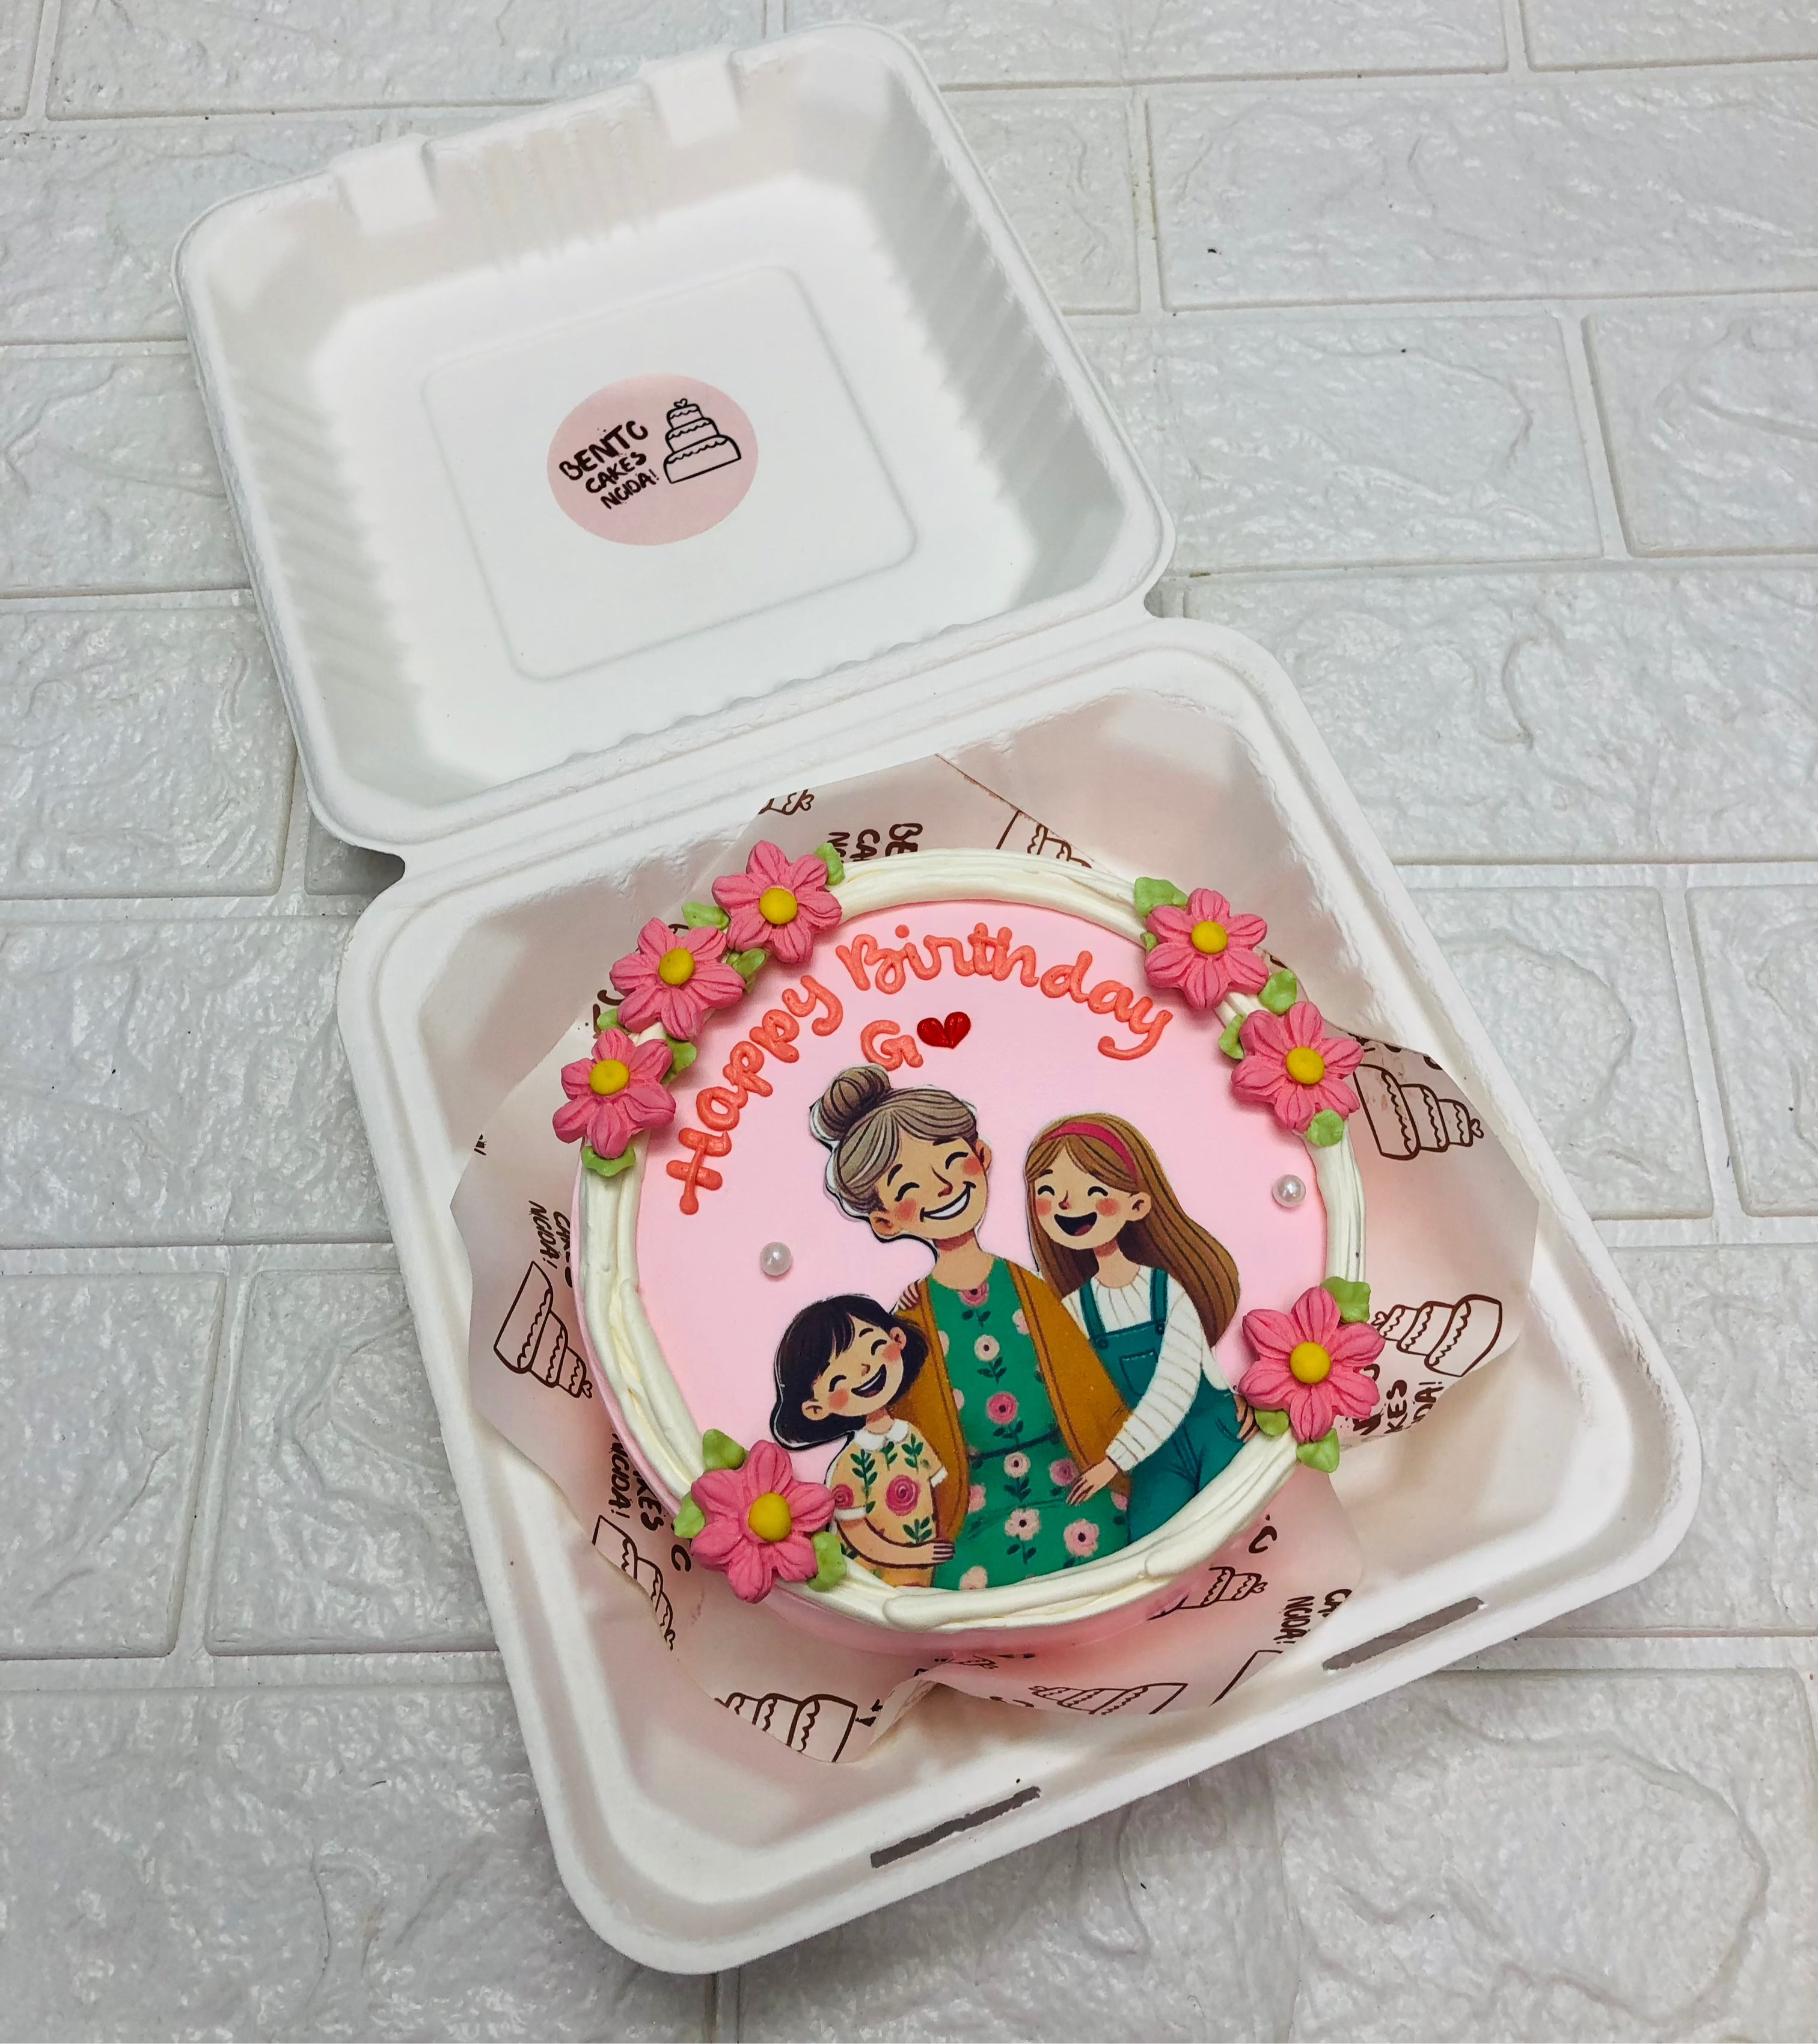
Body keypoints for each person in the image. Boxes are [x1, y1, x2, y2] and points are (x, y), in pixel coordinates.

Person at [809, 1065, 1132, 1591]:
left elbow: (1087, 1384)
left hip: (1069, 1469)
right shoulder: (909, 1323)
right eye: (908, 1186)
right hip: (969, 1499)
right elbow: (906, 1431)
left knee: (1108, 1539)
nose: (941, 1187)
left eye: (949, 1160)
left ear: (981, 1157)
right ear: (886, 1221)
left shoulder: (1027, 1285)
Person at [1024, 1113, 1249, 1542]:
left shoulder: (1166, 1289)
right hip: (1151, 1459)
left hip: (1210, 1429)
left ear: (1138, 1205)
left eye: (1093, 1190)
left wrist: (1113, 1461)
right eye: (1048, 1192)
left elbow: (1175, 1384)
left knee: (1237, 1523)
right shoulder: (1072, 1310)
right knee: (1149, 1545)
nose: (1067, 1205)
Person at [769, 1295, 952, 1587]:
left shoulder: (911, 1436)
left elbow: (938, 1498)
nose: (865, 1369)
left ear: (897, 1339)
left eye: (873, 1345)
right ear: (816, 1408)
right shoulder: (851, 1465)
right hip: (876, 1580)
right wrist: (913, 1555)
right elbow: (857, 1535)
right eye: (838, 1378)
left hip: (926, 1571)